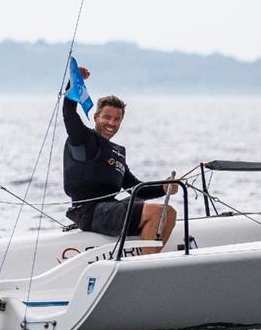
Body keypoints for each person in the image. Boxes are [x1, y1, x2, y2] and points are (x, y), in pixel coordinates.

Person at [62, 67, 177, 255]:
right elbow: (69, 114)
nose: (112, 123)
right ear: (96, 117)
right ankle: (145, 268)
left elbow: (133, 187)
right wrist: (73, 81)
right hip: (90, 212)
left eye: (117, 119)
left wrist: (164, 188)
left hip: (112, 207)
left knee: (168, 213)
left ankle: (145, 260)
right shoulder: (83, 139)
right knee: (159, 213)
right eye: (107, 117)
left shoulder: (117, 152)